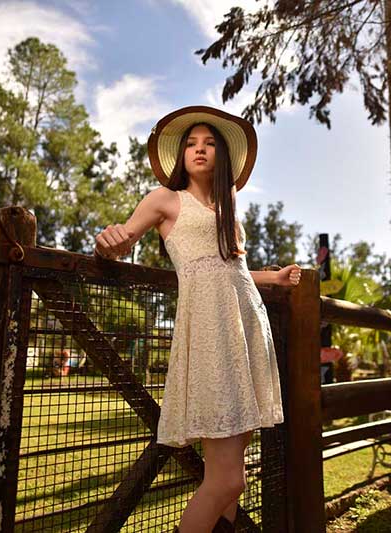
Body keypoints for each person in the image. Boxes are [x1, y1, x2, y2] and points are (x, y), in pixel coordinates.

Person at [93, 105, 301, 533]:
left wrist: (274, 278)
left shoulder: (228, 207)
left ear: (221, 155)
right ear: (181, 155)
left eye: (209, 143)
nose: (199, 149)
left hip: (247, 327)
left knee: (233, 476)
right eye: (191, 143)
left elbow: (234, 269)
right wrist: (107, 243)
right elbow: (122, 240)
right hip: (210, 332)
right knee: (227, 480)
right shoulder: (164, 199)